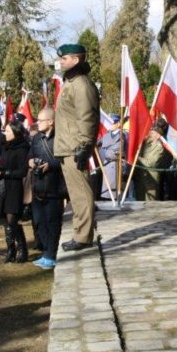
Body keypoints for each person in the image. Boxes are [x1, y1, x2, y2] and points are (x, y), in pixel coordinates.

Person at [54, 43, 100, 251]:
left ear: (76, 60)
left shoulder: (81, 85)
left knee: (81, 192)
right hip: (68, 146)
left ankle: (83, 236)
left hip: (75, 147)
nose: (61, 62)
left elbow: (87, 118)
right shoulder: (72, 83)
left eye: (64, 58)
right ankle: (81, 232)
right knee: (76, 193)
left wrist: (84, 146)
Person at [29, 107, 65, 269]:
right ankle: (46, 252)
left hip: (54, 187)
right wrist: (30, 162)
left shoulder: (61, 138)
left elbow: (65, 160)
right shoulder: (36, 138)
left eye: (41, 120)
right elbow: (29, 156)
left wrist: (49, 165)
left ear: (51, 122)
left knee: (52, 222)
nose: (38, 123)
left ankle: (51, 255)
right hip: (37, 186)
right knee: (38, 221)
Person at [0, 119, 31, 263]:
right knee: (4, 220)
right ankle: (10, 250)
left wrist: (6, 173)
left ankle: (22, 249)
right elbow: (2, 163)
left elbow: (22, 171)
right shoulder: (5, 146)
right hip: (3, 187)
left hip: (14, 187)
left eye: (8, 131)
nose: (5, 133)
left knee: (12, 219)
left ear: (15, 132)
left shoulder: (23, 148)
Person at [135, 120, 173, 201]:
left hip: (151, 180)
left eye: (153, 132)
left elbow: (151, 163)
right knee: (139, 202)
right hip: (140, 178)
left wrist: (137, 158)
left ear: (158, 135)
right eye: (150, 131)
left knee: (151, 204)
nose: (150, 134)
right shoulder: (145, 143)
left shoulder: (159, 147)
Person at [98, 115, 128, 200]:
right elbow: (97, 144)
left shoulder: (122, 135)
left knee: (114, 194)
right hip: (105, 165)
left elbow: (117, 151)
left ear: (119, 123)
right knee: (106, 193)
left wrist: (103, 151)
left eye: (113, 122)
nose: (111, 125)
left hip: (116, 165)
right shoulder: (106, 134)